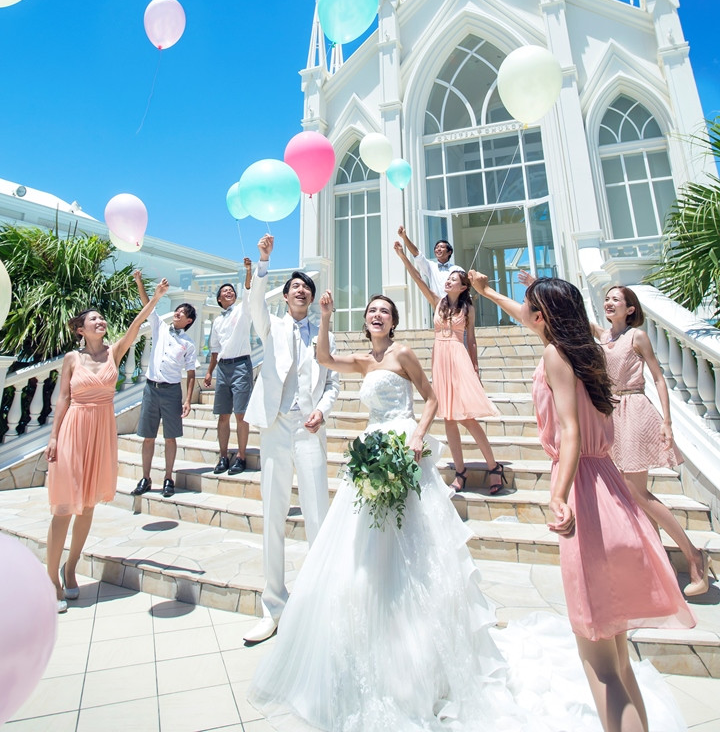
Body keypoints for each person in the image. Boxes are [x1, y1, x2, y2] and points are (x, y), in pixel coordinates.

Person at [248, 290, 687, 732]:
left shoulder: (412, 353)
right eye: (371, 310)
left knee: (602, 658)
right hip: (383, 457)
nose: (377, 314)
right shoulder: (365, 360)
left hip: (424, 454)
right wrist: (326, 316)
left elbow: (436, 398)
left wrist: (418, 433)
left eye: (385, 309)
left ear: (395, 321)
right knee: (363, 558)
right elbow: (324, 358)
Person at [469, 271, 695, 732]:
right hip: (610, 488)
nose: (525, 314)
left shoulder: (555, 355)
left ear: (543, 316)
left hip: (585, 494)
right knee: (619, 659)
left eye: (531, 307)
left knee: (600, 665)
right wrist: (487, 291)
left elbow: (570, 431)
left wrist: (558, 494)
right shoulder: (590, 352)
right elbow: (529, 318)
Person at [46, 278, 169, 612]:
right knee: (63, 507)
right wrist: (54, 437)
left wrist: (156, 297)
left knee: (87, 506)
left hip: (101, 430)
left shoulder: (115, 352)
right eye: (93, 319)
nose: (100, 321)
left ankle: (71, 568)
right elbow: (62, 399)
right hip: (74, 429)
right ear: (81, 329)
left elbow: (136, 324)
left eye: (101, 318)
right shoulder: (72, 359)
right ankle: (51, 579)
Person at [243, 234, 340, 645]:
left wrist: (323, 410)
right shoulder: (272, 325)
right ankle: (273, 606)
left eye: (307, 287)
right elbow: (254, 302)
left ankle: (319, 603)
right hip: (275, 426)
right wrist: (264, 261)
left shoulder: (323, 332)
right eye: (295, 286)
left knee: (318, 513)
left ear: (313, 298)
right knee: (273, 514)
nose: (301, 290)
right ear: (286, 296)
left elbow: (333, 383)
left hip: (309, 428)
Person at [594, 285, 711, 598]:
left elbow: (659, 378)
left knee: (636, 491)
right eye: (606, 299)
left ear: (630, 308)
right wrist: (535, 286)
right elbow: (572, 317)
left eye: (616, 299)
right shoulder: (604, 337)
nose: (608, 303)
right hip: (612, 414)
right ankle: (662, 568)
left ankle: (694, 557)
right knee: (631, 496)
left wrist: (667, 422)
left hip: (634, 408)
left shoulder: (637, 336)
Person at [395, 242, 504, 494]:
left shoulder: (468, 308)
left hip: (458, 357)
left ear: (463, 286)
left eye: (454, 279)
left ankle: (493, 466)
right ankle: (460, 472)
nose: (448, 280)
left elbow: (471, 340)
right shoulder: (437, 302)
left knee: (466, 418)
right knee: (449, 419)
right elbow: (417, 277)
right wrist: (402, 255)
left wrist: (475, 368)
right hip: (440, 359)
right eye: (448, 278)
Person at [131, 270, 197, 498]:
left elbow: (191, 373)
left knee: (170, 437)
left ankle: (168, 477)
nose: (178, 313)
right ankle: (146, 477)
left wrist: (188, 400)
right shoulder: (159, 326)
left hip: (171, 392)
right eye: (178, 310)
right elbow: (147, 305)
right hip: (151, 389)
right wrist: (140, 281)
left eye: (183, 313)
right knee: (148, 436)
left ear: (188, 321)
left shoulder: (188, 344)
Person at [204, 258, 254, 476]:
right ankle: (223, 456)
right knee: (223, 415)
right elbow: (215, 350)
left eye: (231, 290)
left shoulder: (242, 310)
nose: (229, 292)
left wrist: (248, 270)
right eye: (224, 291)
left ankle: (241, 456)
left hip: (241, 365)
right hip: (223, 368)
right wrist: (209, 372)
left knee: (241, 414)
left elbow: (248, 290)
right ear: (218, 299)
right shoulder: (217, 321)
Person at [397, 224, 461, 298]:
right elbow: (417, 254)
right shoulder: (431, 266)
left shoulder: (457, 269)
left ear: (449, 252)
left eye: (442, 247)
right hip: (437, 303)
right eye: (436, 247)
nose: (438, 249)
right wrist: (404, 237)